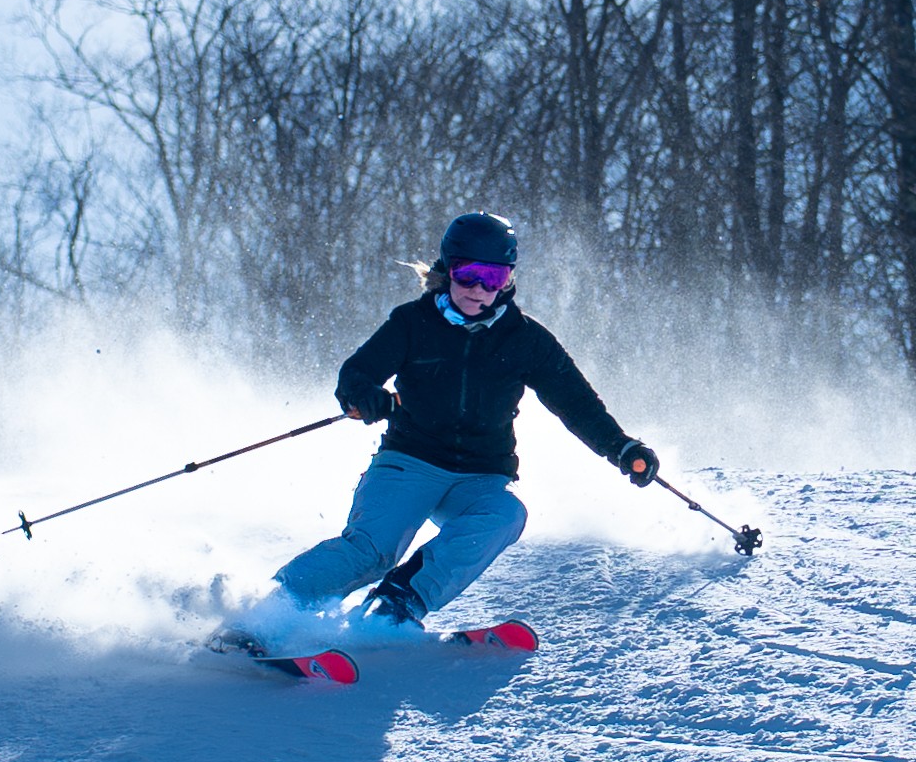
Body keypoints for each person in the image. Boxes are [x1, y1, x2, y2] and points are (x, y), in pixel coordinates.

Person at [271, 211, 659, 629]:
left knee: (505, 515)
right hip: (410, 461)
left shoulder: (526, 339)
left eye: (492, 278)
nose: (478, 289)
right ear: (447, 270)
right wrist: (366, 397)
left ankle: (397, 605)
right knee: (374, 551)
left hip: (481, 474)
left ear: (507, 279)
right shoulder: (412, 323)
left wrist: (621, 447)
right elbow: (357, 374)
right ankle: (272, 608)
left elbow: (576, 403)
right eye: (468, 274)